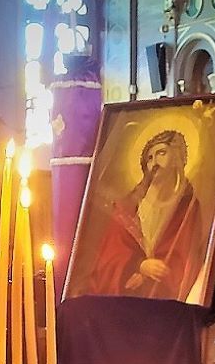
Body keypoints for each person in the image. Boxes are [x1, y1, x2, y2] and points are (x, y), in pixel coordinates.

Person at [85, 129, 204, 301]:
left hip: (164, 301)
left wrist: (149, 275)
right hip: (126, 297)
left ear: (176, 157)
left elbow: (187, 257)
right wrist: (138, 265)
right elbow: (109, 256)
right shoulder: (128, 206)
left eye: (161, 153)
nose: (154, 162)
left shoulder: (188, 206)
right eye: (149, 158)